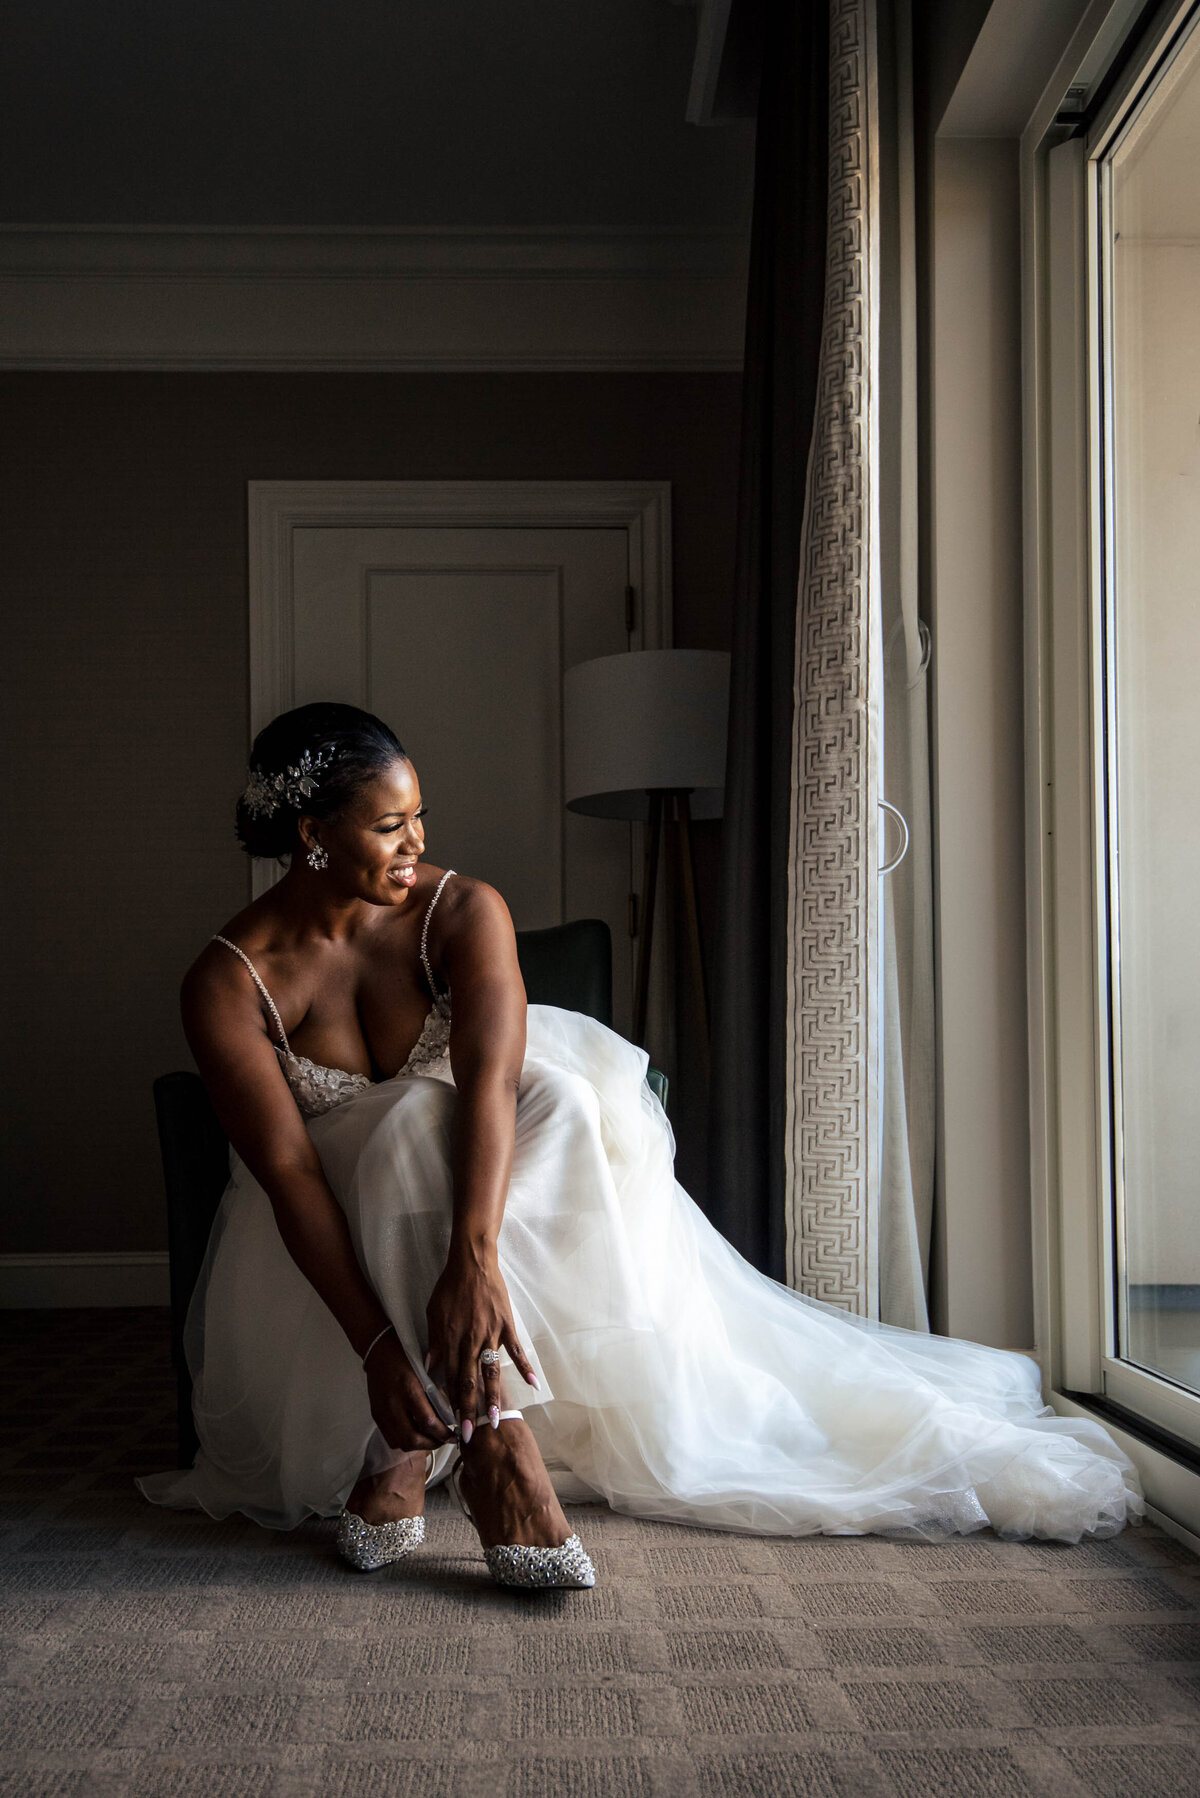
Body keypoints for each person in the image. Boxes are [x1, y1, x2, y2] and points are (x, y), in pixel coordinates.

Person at [139, 703, 1141, 1588]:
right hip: (335, 1216)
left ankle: (439, 1437)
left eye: (421, 817)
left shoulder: (462, 908)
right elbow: (288, 1173)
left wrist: (475, 1259)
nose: (418, 843)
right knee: (402, 1122)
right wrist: (372, 1346)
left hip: (484, 1173)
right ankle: (496, 1436)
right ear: (312, 835)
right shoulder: (228, 981)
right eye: (391, 824)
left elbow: (487, 1080)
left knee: (563, 1103)